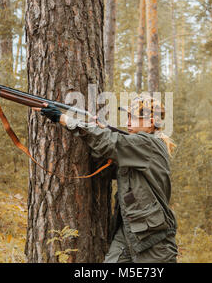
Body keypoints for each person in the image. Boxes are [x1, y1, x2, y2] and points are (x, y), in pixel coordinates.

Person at [35, 95, 178, 263]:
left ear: (151, 122)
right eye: (128, 117)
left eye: (134, 117)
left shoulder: (149, 144)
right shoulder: (136, 146)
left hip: (154, 240)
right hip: (129, 232)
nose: (128, 122)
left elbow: (108, 142)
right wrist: (98, 129)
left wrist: (62, 118)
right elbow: (106, 160)